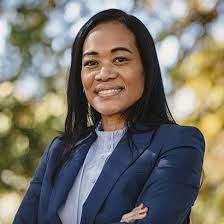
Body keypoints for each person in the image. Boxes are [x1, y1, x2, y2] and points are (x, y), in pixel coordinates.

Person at [13, 8, 205, 224]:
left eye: (120, 59)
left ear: (146, 68)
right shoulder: (58, 150)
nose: (103, 74)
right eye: (91, 63)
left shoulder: (178, 144)